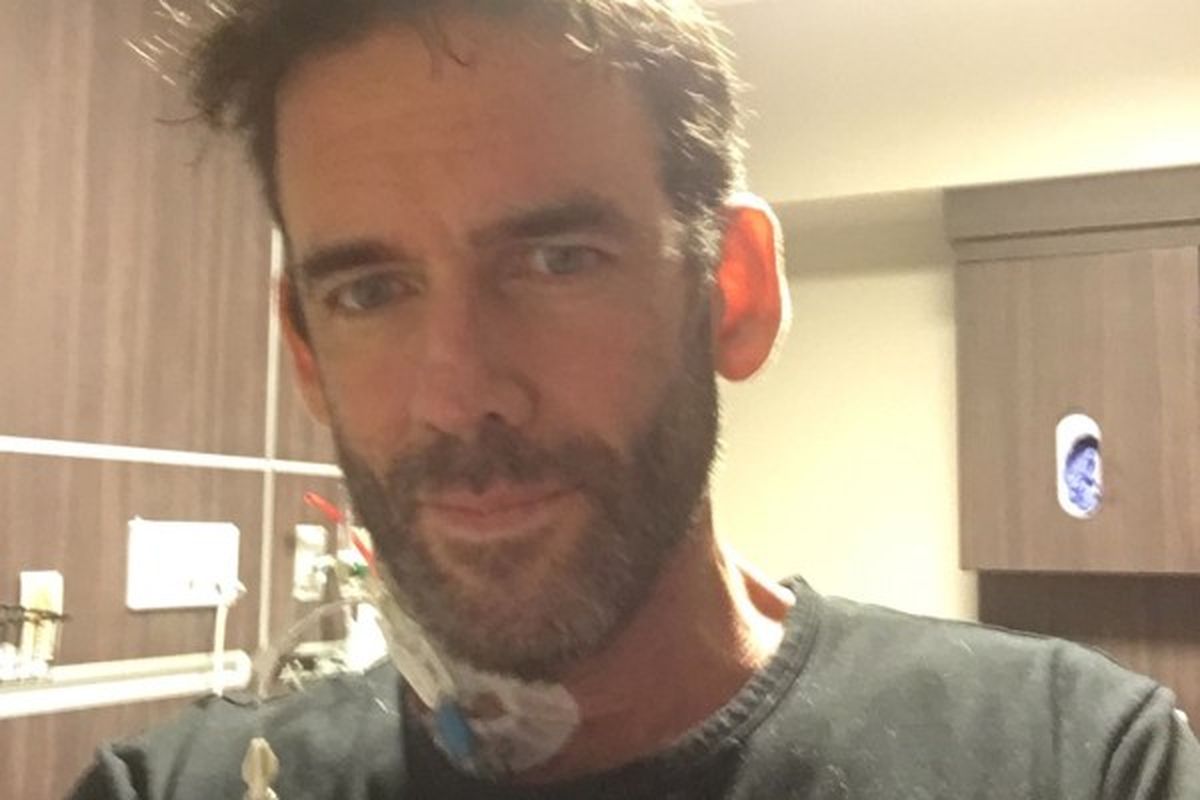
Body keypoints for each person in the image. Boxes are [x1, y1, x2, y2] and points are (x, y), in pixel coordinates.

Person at [71, 1, 1200, 797]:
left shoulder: (1074, 762)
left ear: (733, 292)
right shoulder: (175, 788)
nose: (460, 394)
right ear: (309, 352)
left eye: (556, 260)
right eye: (370, 290)